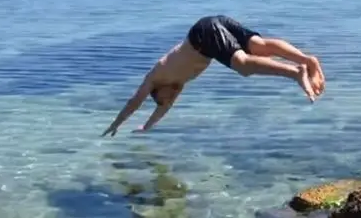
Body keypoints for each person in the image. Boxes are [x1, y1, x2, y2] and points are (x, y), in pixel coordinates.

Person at [101, 15, 325, 137]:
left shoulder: (155, 77)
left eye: (165, 99)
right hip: (214, 24)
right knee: (260, 46)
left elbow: (135, 102)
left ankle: (296, 72)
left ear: (158, 92)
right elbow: (162, 109)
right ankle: (307, 60)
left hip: (203, 37)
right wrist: (146, 127)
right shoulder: (176, 83)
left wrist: (116, 124)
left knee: (243, 66)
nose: (170, 102)